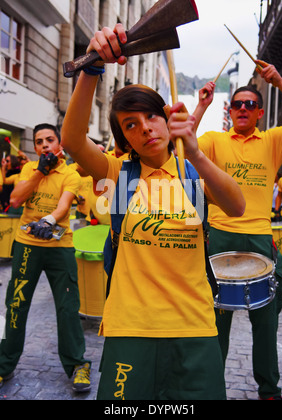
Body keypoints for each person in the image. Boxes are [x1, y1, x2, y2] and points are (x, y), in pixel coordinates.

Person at [61, 24, 245, 401]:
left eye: (150, 117)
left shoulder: (194, 172)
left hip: (194, 328)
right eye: (131, 125)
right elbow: (74, 142)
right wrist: (92, 68)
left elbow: (237, 205)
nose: (144, 129)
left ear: (165, 119)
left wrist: (194, 151)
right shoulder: (118, 175)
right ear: (123, 138)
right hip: (130, 328)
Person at [193, 60, 282, 400]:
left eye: (249, 104)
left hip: (259, 238)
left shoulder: (273, 140)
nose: (242, 108)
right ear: (230, 110)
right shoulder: (213, 140)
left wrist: (280, 81)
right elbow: (178, 147)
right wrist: (201, 106)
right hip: (220, 237)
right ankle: (212, 387)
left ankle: (269, 389)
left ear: (259, 112)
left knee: (266, 320)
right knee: (217, 319)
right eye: (237, 104)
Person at [0, 124, 91, 393]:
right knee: (16, 305)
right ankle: (4, 365)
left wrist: (49, 219)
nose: (44, 145)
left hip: (60, 247)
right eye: (39, 142)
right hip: (27, 246)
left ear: (59, 144)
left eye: (49, 140)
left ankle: (77, 365)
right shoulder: (29, 170)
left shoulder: (70, 173)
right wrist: (40, 171)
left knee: (67, 307)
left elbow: (63, 207)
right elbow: (15, 200)